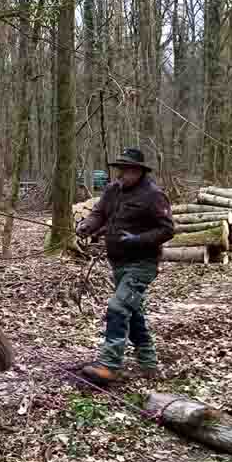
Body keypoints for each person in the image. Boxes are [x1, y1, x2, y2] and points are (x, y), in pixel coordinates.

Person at [75, 148, 175, 384]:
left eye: (130, 170)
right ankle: (149, 363)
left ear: (140, 171)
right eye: (122, 169)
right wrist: (87, 226)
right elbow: (99, 214)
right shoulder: (112, 190)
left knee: (118, 307)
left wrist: (137, 240)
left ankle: (109, 365)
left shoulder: (153, 195)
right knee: (132, 311)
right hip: (118, 262)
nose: (124, 174)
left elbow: (167, 229)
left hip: (143, 263)